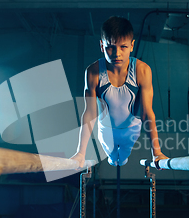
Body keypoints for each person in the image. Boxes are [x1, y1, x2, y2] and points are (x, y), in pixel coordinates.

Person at [71, 16, 167, 169]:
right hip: (106, 131)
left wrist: (157, 152)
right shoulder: (93, 72)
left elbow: (147, 114)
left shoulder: (142, 71)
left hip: (131, 130)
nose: (117, 53)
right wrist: (80, 153)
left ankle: (120, 160)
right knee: (112, 157)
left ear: (132, 46)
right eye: (111, 47)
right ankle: (113, 159)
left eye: (123, 47)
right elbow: (89, 113)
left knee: (123, 157)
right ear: (102, 46)